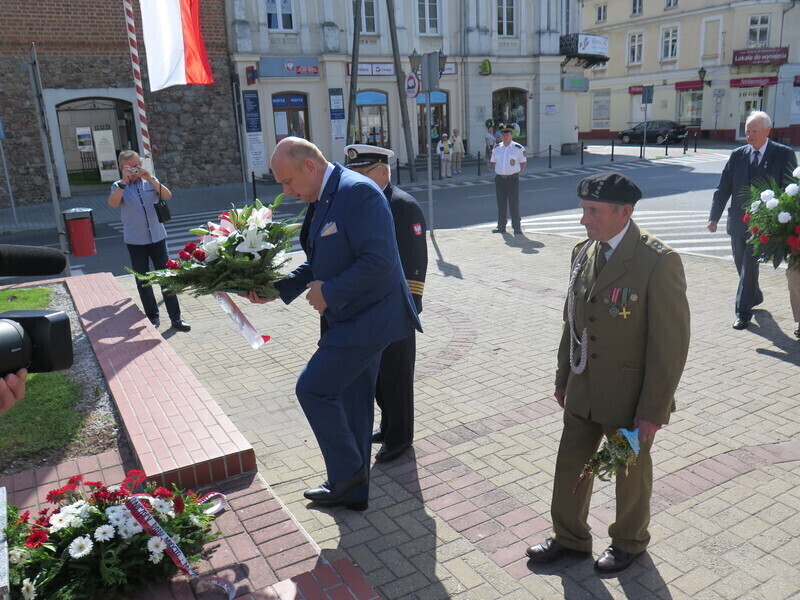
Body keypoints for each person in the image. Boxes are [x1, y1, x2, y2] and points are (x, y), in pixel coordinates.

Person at [526, 172, 690, 574]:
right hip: (584, 390)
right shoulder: (583, 252)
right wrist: (563, 377)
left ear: (625, 212)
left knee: (627, 473)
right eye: (584, 210)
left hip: (627, 401)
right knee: (572, 467)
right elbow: (572, 322)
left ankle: (629, 541)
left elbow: (670, 344)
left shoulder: (657, 261)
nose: (584, 219)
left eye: (594, 211)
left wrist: (652, 409)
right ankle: (570, 538)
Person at [247, 137, 421, 510]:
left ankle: (348, 475)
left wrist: (330, 292)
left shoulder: (358, 193)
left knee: (313, 388)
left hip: (370, 319)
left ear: (309, 166)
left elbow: (381, 261)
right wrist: (277, 289)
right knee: (354, 402)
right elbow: (322, 260)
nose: (286, 190)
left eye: (288, 181)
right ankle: (354, 491)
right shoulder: (325, 196)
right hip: (352, 316)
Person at [343, 143, 428, 463]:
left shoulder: (402, 206)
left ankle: (400, 437)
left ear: (382, 172)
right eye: (352, 173)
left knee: (397, 377)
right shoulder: (364, 203)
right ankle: (387, 425)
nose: (355, 179)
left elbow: (416, 260)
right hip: (369, 306)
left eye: (362, 173)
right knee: (379, 376)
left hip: (396, 306)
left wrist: (410, 304)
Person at [708, 110, 797, 330]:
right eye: (747, 131)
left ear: (768, 131)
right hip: (738, 221)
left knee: (749, 265)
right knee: (741, 264)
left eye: (755, 131)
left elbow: (790, 191)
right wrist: (714, 217)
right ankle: (755, 295)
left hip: (766, 224)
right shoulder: (737, 155)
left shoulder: (783, 154)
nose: (749, 135)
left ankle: (743, 312)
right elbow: (724, 187)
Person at [108, 151, 190, 332]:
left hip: (157, 237)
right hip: (135, 241)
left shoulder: (149, 180)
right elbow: (113, 204)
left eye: (138, 165)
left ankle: (176, 318)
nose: (136, 169)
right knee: (143, 280)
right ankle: (152, 318)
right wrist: (124, 181)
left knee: (166, 278)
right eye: (131, 167)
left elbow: (167, 196)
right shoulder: (118, 186)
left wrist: (151, 179)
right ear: (123, 168)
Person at [491, 124, 527, 235]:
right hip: (500, 179)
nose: (505, 136)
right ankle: (501, 226)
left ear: (511, 135)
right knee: (501, 204)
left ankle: (517, 227)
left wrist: (514, 172)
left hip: (512, 179)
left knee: (514, 204)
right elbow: (493, 162)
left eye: (507, 134)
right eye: (503, 134)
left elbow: (523, 163)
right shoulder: (496, 148)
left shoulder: (518, 148)